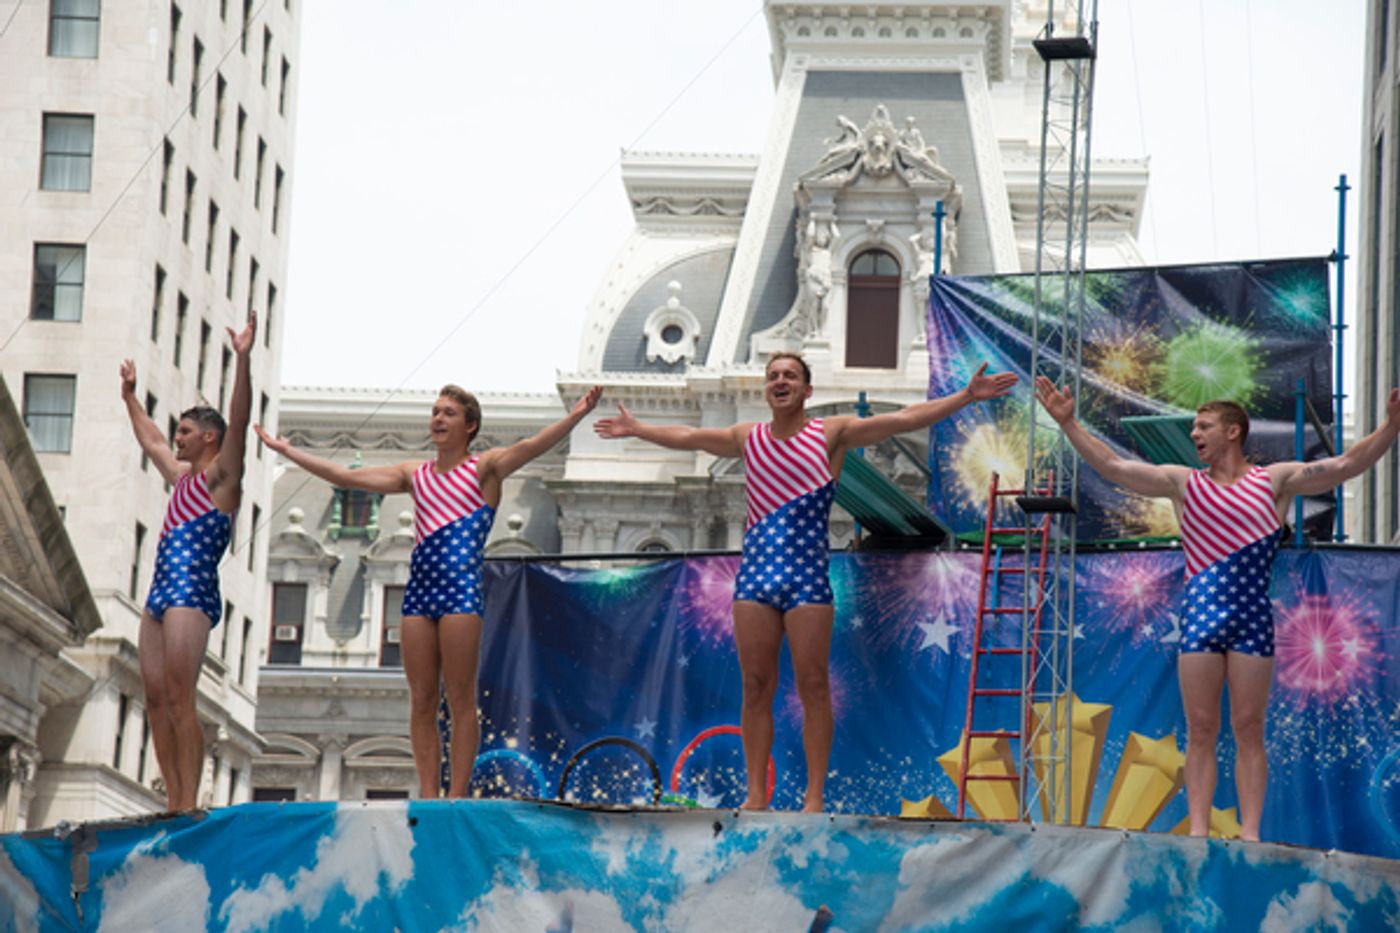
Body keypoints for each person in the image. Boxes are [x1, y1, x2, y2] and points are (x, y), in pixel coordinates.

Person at [595, 354, 1016, 812]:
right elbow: (691, 436)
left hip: (806, 577)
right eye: (773, 376)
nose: (780, 381)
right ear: (766, 390)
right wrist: (639, 429)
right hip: (756, 576)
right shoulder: (748, 437)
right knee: (756, 684)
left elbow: (903, 419)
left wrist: (965, 396)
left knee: (813, 684)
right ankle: (756, 796)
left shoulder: (829, 433)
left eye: (790, 376)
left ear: (806, 391)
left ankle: (813, 797)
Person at [1035, 376, 1400, 840]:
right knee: (1201, 728)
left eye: (1203, 426)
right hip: (1200, 624)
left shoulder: (1275, 481)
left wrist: (1390, 427)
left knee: (1249, 726)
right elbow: (1113, 466)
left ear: (1234, 431)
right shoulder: (1182, 483)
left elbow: (1346, 463)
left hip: (1251, 622)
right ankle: (1199, 830)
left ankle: (1250, 833)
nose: (1194, 436)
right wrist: (1069, 425)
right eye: (1193, 430)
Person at [255, 384, 603, 798]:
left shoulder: (484, 469)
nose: (437, 419)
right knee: (421, 699)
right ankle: (428, 791)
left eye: (449, 413)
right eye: (435, 411)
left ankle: (456, 793)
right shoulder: (413, 474)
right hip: (418, 594)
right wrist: (288, 452)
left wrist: (576, 415)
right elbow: (346, 476)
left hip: (460, 595)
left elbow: (531, 445)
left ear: (469, 426)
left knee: (459, 697)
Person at [121, 312, 257, 811]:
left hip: (191, 594)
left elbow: (239, 420)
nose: (176, 438)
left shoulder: (223, 480)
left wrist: (242, 361)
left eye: (185, 432)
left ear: (209, 439)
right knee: (154, 698)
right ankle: (172, 797)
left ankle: (187, 801)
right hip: (159, 594)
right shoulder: (181, 478)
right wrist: (130, 398)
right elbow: (151, 440)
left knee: (181, 694)